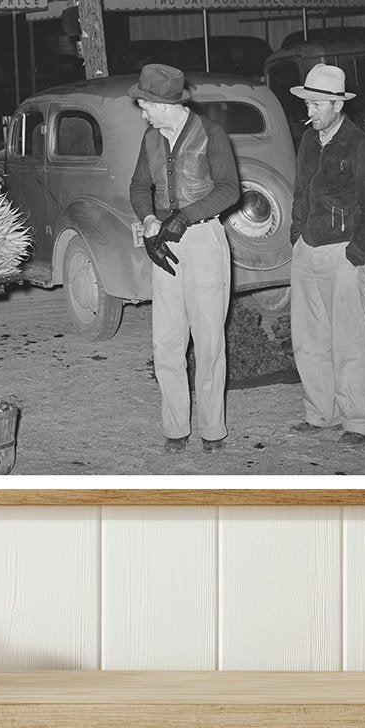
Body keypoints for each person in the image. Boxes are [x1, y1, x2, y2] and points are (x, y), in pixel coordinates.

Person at [128, 64, 241, 454]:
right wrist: (149, 222)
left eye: (146, 105)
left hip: (204, 241)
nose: (143, 113)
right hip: (166, 242)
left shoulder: (211, 134)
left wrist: (185, 217)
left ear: (164, 104)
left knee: (209, 340)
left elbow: (229, 190)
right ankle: (176, 427)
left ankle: (213, 429)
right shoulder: (150, 139)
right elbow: (140, 186)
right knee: (167, 341)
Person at [288, 63, 365, 444]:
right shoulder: (308, 141)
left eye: (315, 104)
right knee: (308, 339)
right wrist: (297, 236)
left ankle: (359, 421)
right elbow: (300, 193)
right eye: (308, 103)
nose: (309, 111)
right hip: (307, 251)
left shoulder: (361, 146)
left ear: (336, 104)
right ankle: (321, 413)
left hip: (343, 256)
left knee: (349, 341)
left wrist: (357, 253)